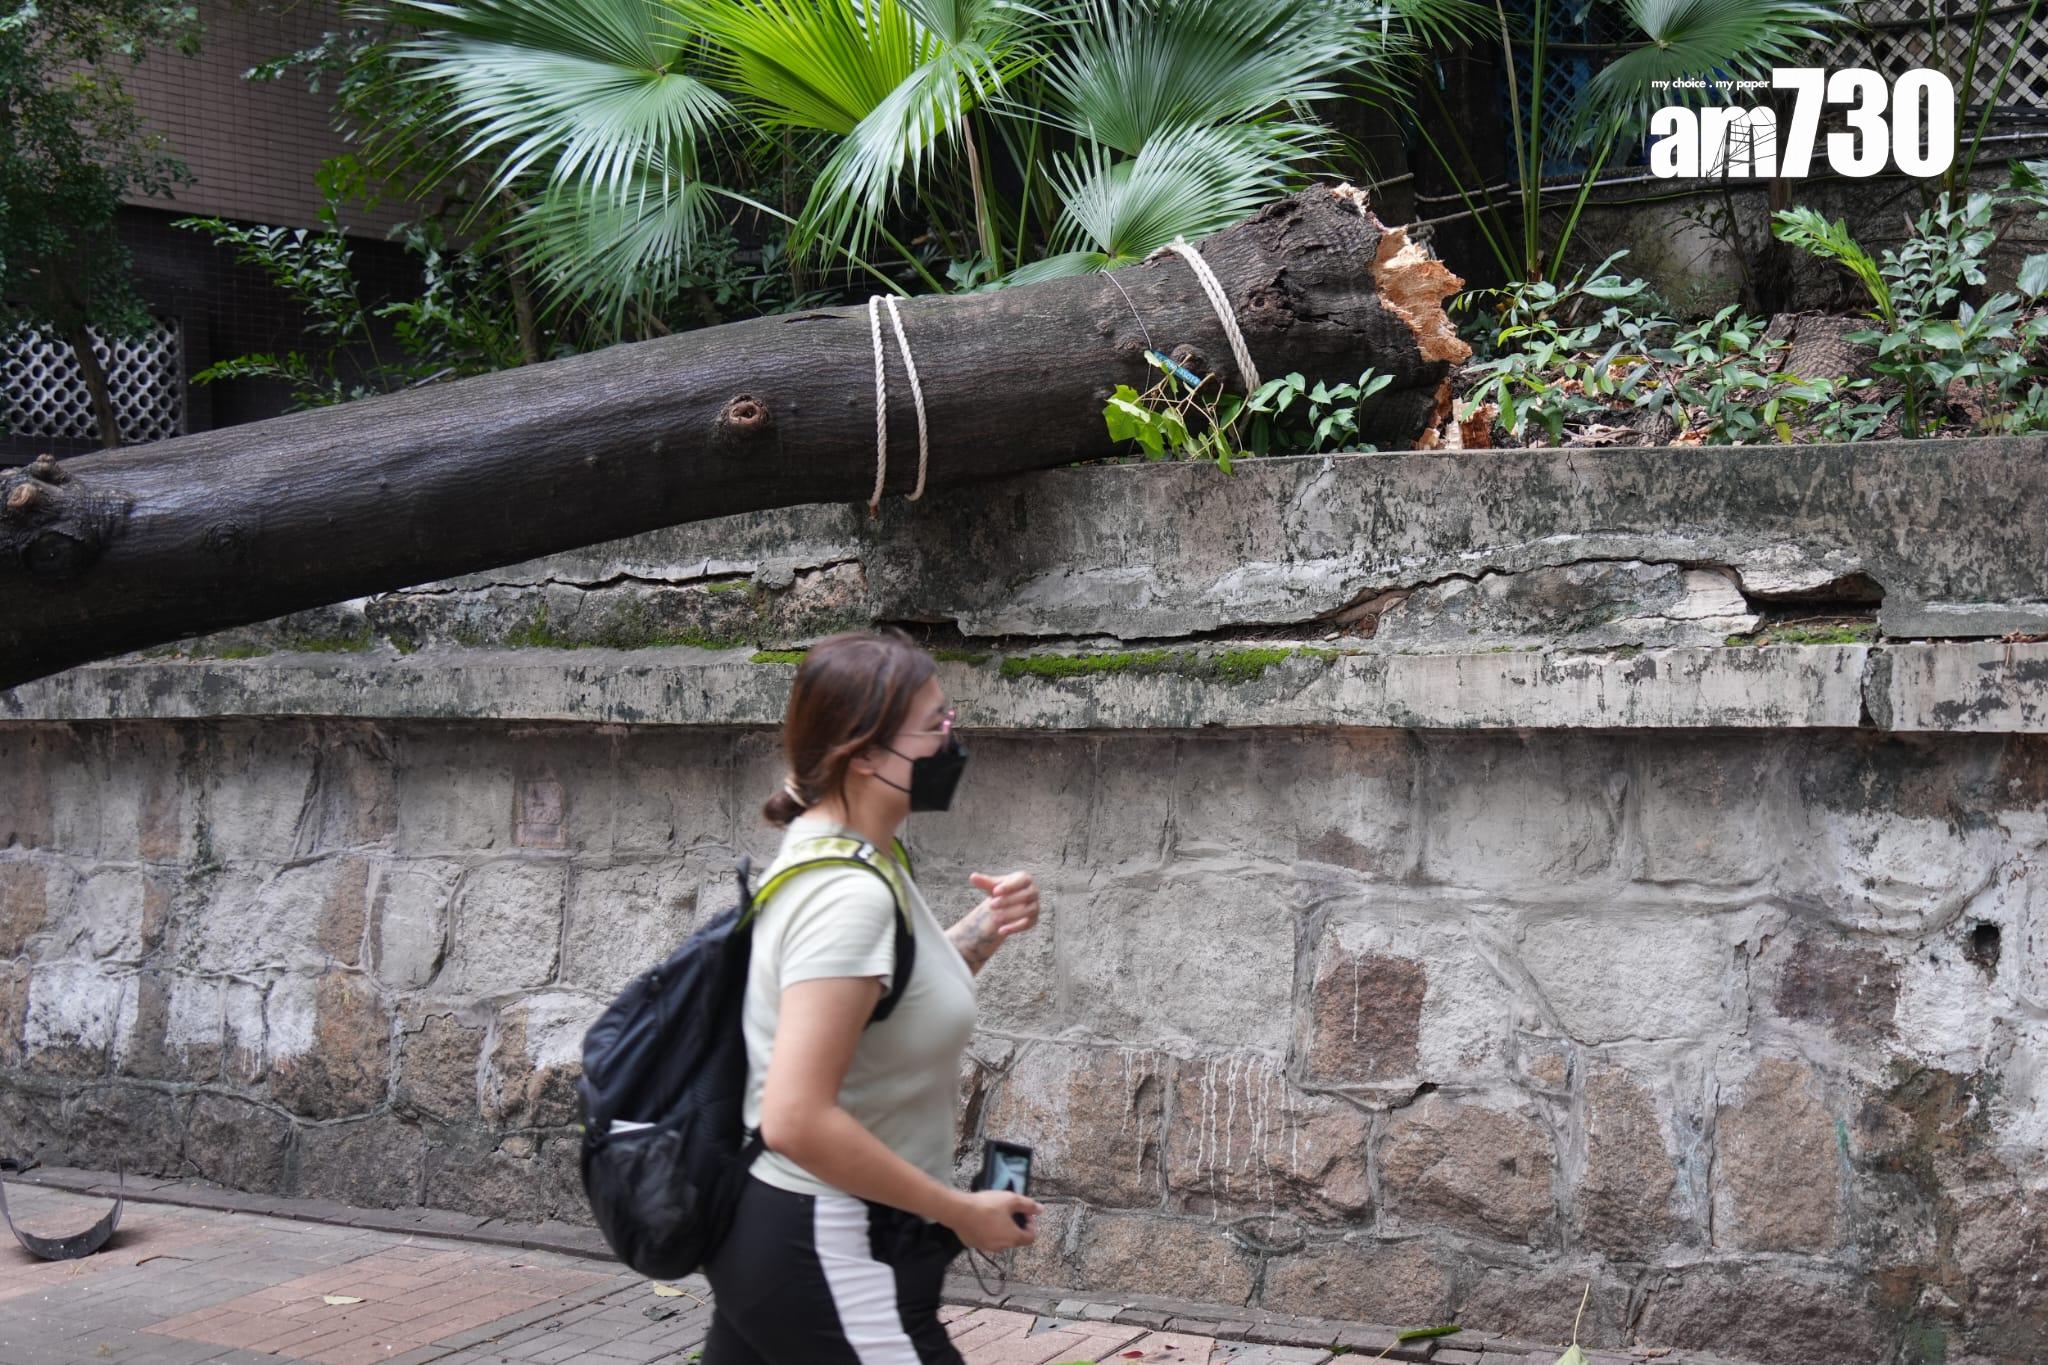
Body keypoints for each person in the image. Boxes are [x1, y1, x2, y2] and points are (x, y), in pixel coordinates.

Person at [703, 627, 1045, 1365]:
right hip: (828, 1244)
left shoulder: (857, 853)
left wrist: (984, 930)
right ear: (863, 755)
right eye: (935, 727)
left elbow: (884, 995)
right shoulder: (845, 894)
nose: (952, 743)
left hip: (801, 1237)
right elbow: (796, 1116)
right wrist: (961, 1213)